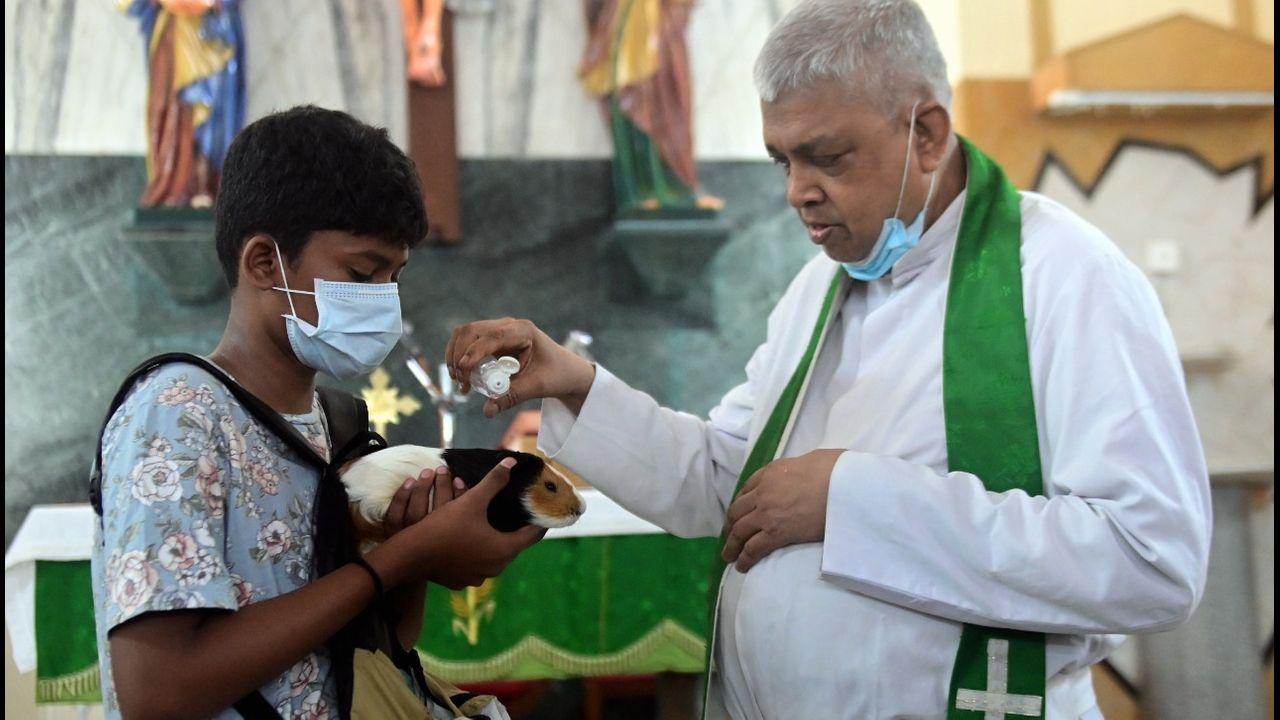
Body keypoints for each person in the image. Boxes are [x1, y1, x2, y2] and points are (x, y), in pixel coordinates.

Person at [445, 2, 1211, 717]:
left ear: (928, 134)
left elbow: (1150, 560)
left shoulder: (1065, 277)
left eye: (826, 158)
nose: (796, 193)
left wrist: (851, 500)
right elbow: (732, 483)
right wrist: (578, 389)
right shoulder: (822, 286)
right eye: (782, 160)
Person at [91, 105, 542, 719]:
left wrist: (415, 552)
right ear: (262, 263)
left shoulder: (339, 423)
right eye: (362, 273)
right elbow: (158, 693)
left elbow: (376, 647)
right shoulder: (178, 414)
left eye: (393, 276)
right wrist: (398, 560)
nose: (382, 299)